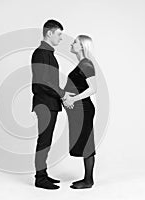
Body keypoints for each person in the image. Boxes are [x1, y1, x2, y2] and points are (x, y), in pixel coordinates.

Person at [31, 19, 75, 190]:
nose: (60, 39)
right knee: (44, 140)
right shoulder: (41, 53)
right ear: (49, 33)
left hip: (50, 103)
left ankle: (43, 173)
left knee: (46, 141)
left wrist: (62, 96)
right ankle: (40, 178)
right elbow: (43, 82)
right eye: (58, 34)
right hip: (44, 104)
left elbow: (49, 82)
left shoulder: (48, 53)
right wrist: (63, 94)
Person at [62, 35, 97, 189]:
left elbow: (93, 89)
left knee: (88, 144)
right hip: (78, 111)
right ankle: (87, 179)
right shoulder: (81, 65)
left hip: (84, 110)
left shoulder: (86, 64)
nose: (72, 43)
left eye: (75, 42)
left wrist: (73, 99)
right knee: (84, 143)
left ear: (82, 46)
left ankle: (88, 181)